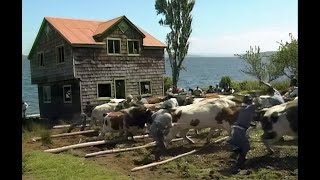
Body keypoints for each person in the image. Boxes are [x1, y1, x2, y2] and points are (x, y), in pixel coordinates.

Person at [225, 95, 257, 168]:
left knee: (239, 145)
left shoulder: (242, 108)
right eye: (251, 101)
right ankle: (240, 164)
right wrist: (257, 97)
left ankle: (237, 155)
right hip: (241, 130)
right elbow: (257, 104)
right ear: (249, 101)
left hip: (236, 128)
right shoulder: (250, 107)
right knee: (246, 147)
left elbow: (245, 118)